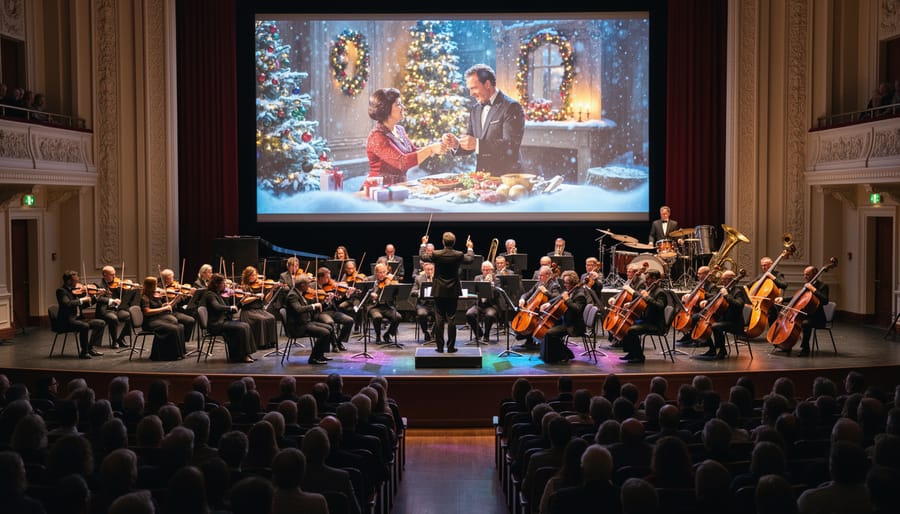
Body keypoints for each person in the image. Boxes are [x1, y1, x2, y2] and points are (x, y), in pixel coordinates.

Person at [442, 64, 526, 174]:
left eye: (474, 88)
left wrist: (478, 144)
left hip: (508, 178)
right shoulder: (475, 109)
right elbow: (471, 142)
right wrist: (457, 144)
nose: (471, 94)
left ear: (487, 84)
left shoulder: (512, 107)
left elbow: (510, 145)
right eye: (470, 89)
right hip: (482, 178)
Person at [365, 87, 444, 187]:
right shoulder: (377, 137)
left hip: (398, 188)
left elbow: (413, 152)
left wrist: (436, 147)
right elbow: (402, 162)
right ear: (386, 109)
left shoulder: (399, 130)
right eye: (398, 104)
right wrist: (430, 149)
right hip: (378, 190)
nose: (403, 107)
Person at [419, 231, 475, 353]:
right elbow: (470, 259)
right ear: (454, 242)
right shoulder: (459, 254)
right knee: (452, 319)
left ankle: (439, 347)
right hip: (453, 290)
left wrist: (424, 244)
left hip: (439, 290)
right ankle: (450, 347)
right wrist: (469, 247)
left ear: (443, 242)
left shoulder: (436, 254)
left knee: (439, 319)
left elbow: (423, 256)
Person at [774, 265, 829, 357]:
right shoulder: (806, 285)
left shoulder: (822, 286)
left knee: (805, 324)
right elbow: (796, 297)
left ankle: (805, 348)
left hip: (817, 317)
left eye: (807, 275)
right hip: (805, 314)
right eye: (804, 275)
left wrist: (813, 289)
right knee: (795, 321)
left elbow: (825, 301)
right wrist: (782, 299)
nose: (805, 277)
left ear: (815, 274)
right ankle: (787, 345)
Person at [694, 269, 749, 360]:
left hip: (735, 322)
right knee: (698, 318)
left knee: (715, 326)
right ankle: (712, 349)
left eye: (725, 279)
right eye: (722, 279)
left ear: (731, 280)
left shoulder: (738, 291)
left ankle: (722, 350)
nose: (722, 281)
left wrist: (727, 295)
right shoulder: (723, 289)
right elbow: (715, 298)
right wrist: (706, 301)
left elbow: (739, 305)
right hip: (724, 319)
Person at [617, 269, 667, 363]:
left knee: (631, 330)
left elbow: (659, 306)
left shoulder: (660, 292)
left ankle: (639, 356)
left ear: (654, 279)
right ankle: (631, 353)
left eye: (647, 279)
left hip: (654, 323)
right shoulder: (649, 290)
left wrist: (647, 297)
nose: (645, 281)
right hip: (646, 320)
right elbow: (641, 300)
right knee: (624, 325)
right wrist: (631, 304)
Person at [203, 273, 255, 363]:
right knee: (241, 327)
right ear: (217, 284)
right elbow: (217, 307)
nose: (226, 286)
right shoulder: (210, 295)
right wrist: (229, 307)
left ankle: (246, 354)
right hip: (216, 325)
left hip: (224, 322)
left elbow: (233, 310)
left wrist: (242, 301)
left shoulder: (219, 294)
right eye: (223, 283)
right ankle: (242, 356)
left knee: (246, 325)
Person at [55, 270, 105, 358]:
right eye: (76, 280)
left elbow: (84, 305)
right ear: (69, 281)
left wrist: (96, 297)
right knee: (84, 326)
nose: (78, 282)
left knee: (101, 323)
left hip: (79, 319)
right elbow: (67, 304)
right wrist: (82, 300)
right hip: (67, 321)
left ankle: (90, 347)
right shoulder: (61, 291)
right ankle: (84, 352)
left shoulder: (75, 291)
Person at [539, 270, 585, 364]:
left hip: (574, 325)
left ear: (572, 282)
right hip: (566, 321)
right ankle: (549, 356)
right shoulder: (570, 290)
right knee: (547, 331)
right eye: (564, 282)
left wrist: (567, 299)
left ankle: (566, 353)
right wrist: (549, 304)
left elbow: (577, 309)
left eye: (566, 282)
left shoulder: (580, 294)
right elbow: (559, 298)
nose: (565, 284)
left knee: (550, 333)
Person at [283, 277, 333, 365]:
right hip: (298, 327)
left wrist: (326, 302)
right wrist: (313, 305)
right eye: (308, 284)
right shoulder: (292, 295)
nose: (309, 286)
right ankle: (313, 358)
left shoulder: (300, 293)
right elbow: (298, 309)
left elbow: (310, 309)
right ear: (302, 285)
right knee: (325, 332)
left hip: (306, 322)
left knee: (329, 328)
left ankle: (320, 355)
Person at [515, 265, 562, 351]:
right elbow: (527, 294)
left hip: (544, 312)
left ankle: (531, 340)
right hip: (534, 310)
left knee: (529, 324)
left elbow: (557, 298)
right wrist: (522, 299)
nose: (539, 277)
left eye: (541, 275)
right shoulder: (539, 284)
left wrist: (546, 293)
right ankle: (529, 341)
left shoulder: (554, 285)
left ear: (548, 275)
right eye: (539, 275)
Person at [140, 276, 186, 360]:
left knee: (180, 326)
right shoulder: (144, 298)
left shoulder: (156, 295)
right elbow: (147, 312)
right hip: (150, 322)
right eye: (155, 284)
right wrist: (164, 308)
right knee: (173, 329)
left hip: (159, 319)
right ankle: (168, 355)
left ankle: (180, 353)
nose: (157, 286)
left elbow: (167, 306)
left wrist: (176, 298)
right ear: (150, 286)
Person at [239, 266, 279, 350]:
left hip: (259, 310)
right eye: (252, 275)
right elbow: (244, 301)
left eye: (255, 275)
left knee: (271, 317)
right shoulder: (244, 286)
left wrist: (272, 290)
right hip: (248, 311)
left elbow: (266, 300)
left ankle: (270, 342)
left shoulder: (261, 286)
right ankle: (261, 343)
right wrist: (256, 297)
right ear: (247, 276)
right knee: (261, 320)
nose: (254, 277)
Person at [315, 266, 353, 351]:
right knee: (330, 322)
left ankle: (339, 341)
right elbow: (316, 306)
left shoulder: (330, 287)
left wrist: (347, 295)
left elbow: (337, 302)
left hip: (332, 311)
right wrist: (327, 301)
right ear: (320, 277)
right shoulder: (314, 287)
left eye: (329, 277)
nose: (329, 280)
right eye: (327, 277)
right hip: (321, 313)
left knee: (349, 320)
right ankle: (334, 344)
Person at [95, 265, 133, 348]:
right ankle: (114, 341)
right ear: (105, 274)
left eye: (114, 274)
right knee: (113, 318)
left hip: (116, 309)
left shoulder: (117, 283)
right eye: (112, 274)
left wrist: (126, 288)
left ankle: (121, 338)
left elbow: (123, 296)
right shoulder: (99, 284)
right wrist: (112, 301)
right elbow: (98, 299)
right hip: (105, 311)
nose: (114, 276)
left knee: (129, 316)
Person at [366, 263, 402, 345]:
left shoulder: (390, 281)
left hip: (387, 306)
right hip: (374, 307)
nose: (382, 274)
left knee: (398, 317)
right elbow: (363, 293)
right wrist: (370, 295)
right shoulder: (371, 280)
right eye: (380, 272)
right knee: (377, 317)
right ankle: (378, 336)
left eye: (384, 272)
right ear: (376, 273)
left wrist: (392, 285)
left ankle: (387, 334)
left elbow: (397, 292)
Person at [158, 268, 197, 339]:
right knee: (175, 322)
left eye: (173, 277)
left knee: (191, 320)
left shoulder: (175, 287)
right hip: (164, 313)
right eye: (171, 278)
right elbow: (165, 305)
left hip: (175, 311)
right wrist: (177, 297)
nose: (173, 280)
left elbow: (180, 302)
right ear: (165, 279)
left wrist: (186, 296)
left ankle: (183, 341)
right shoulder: (160, 289)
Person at [467, 261, 500, 344]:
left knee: (490, 315)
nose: (485, 272)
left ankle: (486, 335)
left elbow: (497, 295)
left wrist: (491, 285)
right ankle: (479, 333)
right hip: (479, 305)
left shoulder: (497, 279)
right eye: (483, 270)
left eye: (487, 270)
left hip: (491, 305)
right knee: (469, 314)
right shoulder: (477, 278)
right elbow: (473, 292)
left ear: (492, 270)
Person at [758, 256, 789, 325]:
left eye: (765, 265)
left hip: (774, 301)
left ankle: (772, 333)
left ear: (771, 265)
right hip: (763, 301)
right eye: (762, 266)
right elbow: (750, 284)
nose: (763, 267)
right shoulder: (762, 276)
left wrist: (772, 277)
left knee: (771, 311)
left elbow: (784, 285)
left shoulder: (777, 274)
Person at [410, 261, 435, 342]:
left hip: (435, 304)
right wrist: (420, 292)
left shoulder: (438, 278)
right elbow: (412, 292)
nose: (430, 272)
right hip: (422, 304)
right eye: (428, 270)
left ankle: (434, 332)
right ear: (424, 270)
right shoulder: (419, 278)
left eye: (431, 269)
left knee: (442, 314)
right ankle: (426, 332)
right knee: (422, 314)